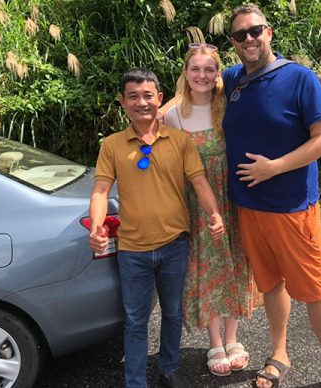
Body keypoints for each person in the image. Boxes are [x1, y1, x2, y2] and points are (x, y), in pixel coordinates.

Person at [221, 4, 321, 388]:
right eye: (240, 35)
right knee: (270, 286)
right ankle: (279, 353)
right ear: (234, 43)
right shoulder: (232, 80)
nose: (249, 39)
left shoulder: (299, 78)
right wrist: (150, 118)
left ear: (269, 33)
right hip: (248, 207)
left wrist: (275, 167)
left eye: (255, 31)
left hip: (292, 208)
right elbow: (191, 91)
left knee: (313, 291)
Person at [89, 68, 225, 388]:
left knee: (173, 314)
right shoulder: (112, 145)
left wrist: (214, 214)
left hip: (174, 244)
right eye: (133, 96)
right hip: (132, 250)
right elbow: (100, 190)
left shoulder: (180, 141)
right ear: (122, 102)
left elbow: (199, 181)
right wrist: (97, 228)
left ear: (159, 98)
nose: (142, 102)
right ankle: (135, 381)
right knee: (136, 321)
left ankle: (169, 369)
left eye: (148, 95)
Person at [163, 44, 256, 377]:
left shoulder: (228, 107)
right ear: (186, 73)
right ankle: (215, 341)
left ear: (218, 74)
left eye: (209, 69)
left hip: (232, 196)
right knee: (205, 266)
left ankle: (233, 338)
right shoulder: (173, 115)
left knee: (235, 261)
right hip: (197, 201)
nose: (201, 75)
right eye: (195, 69)